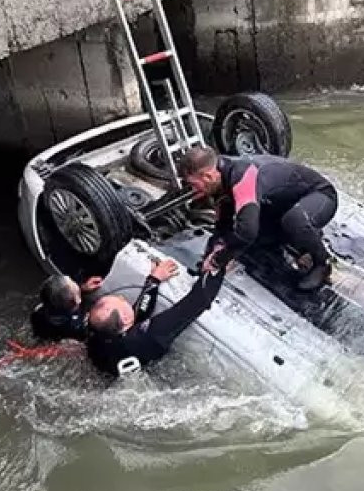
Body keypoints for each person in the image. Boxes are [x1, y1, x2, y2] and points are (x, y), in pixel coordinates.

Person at [181, 146, 339, 291]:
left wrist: (219, 260)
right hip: (280, 204)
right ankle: (293, 238)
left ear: (208, 176)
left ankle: (322, 263)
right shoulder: (218, 177)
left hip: (320, 196)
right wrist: (212, 251)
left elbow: (247, 231)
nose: (195, 190)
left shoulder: (241, 175)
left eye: (195, 185)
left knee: (292, 221)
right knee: (256, 242)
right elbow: (223, 224)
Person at [85, 257, 226, 376]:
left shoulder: (98, 334)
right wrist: (216, 267)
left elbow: (136, 316)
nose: (122, 297)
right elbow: (196, 303)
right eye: (121, 300)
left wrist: (153, 281)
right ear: (126, 320)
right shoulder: (152, 335)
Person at [30, 274, 103, 342]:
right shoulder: (77, 327)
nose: (76, 283)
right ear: (76, 301)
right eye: (74, 283)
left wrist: (82, 288)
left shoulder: (38, 312)